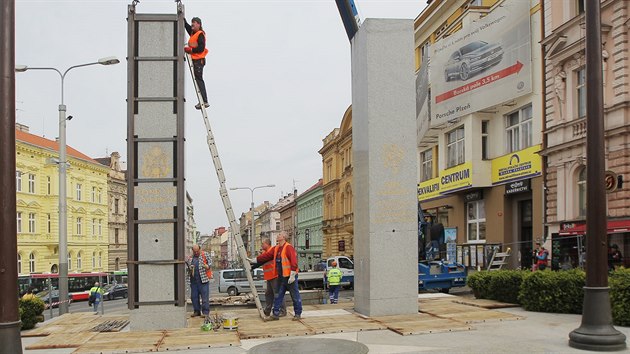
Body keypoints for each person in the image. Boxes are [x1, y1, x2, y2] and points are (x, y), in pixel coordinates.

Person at [251, 231, 302, 321]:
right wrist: (255, 260)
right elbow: (266, 256)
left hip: (290, 276)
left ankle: (297, 314)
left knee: (295, 296)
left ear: (283, 237)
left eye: (279, 234)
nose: (277, 235)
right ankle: (275, 314)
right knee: (278, 296)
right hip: (281, 277)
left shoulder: (288, 248)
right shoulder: (277, 248)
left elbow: (294, 261)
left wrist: (293, 274)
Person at [249, 238, 287, 317]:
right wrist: (252, 266)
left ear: (267, 244)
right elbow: (261, 261)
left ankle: (282, 311)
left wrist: (253, 264)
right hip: (270, 276)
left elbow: (262, 260)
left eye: (263, 243)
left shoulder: (271, 251)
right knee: (269, 294)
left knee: (277, 294)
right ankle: (267, 310)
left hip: (275, 276)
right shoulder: (266, 252)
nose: (261, 245)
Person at [184, 17, 209, 110]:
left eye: (194, 23)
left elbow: (201, 48)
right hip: (196, 60)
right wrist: (183, 18)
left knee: (199, 79)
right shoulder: (193, 33)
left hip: (199, 60)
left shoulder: (200, 34)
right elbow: (187, 27)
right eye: (192, 23)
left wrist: (191, 50)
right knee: (198, 79)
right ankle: (203, 100)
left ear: (199, 24)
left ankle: (204, 101)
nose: (192, 24)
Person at [188, 244, 212, 317]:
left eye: (197, 251)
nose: (196, 253)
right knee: (194, 297)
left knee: (205, 298)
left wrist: (207, 266)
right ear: (192, 251)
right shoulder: (191, 258)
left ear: (200, 249)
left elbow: (210, 262)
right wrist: (190, 269)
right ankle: (196, 311)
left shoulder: (205, 255)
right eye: (194, 251)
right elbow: (187, 268)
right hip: (194, 281)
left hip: (203, 280)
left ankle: (205, 312)